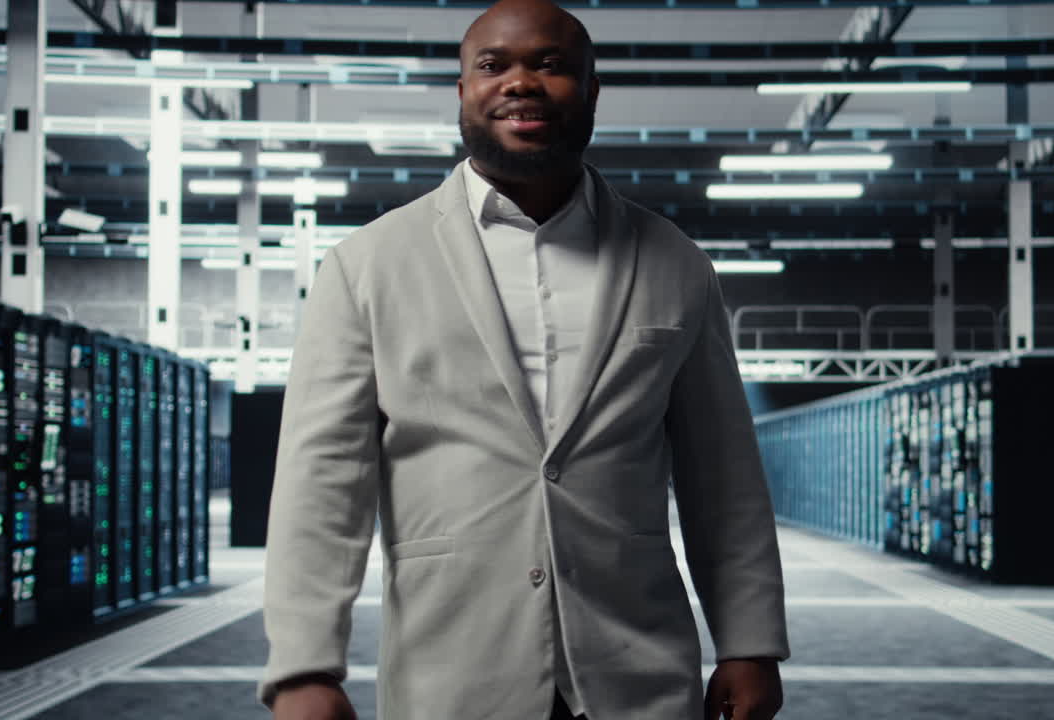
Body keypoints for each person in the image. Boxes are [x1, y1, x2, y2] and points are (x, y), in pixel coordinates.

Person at [259, 0, 790, 717]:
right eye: (493, 65)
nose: (521, 83)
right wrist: (302, 667)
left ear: (592, 89)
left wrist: (748, 642)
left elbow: (723, 477)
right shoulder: (367, 265)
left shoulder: (676, 263)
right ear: (462, 91)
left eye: (551, 65)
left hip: (636, 671)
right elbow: (321, 481)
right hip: (453, 672)